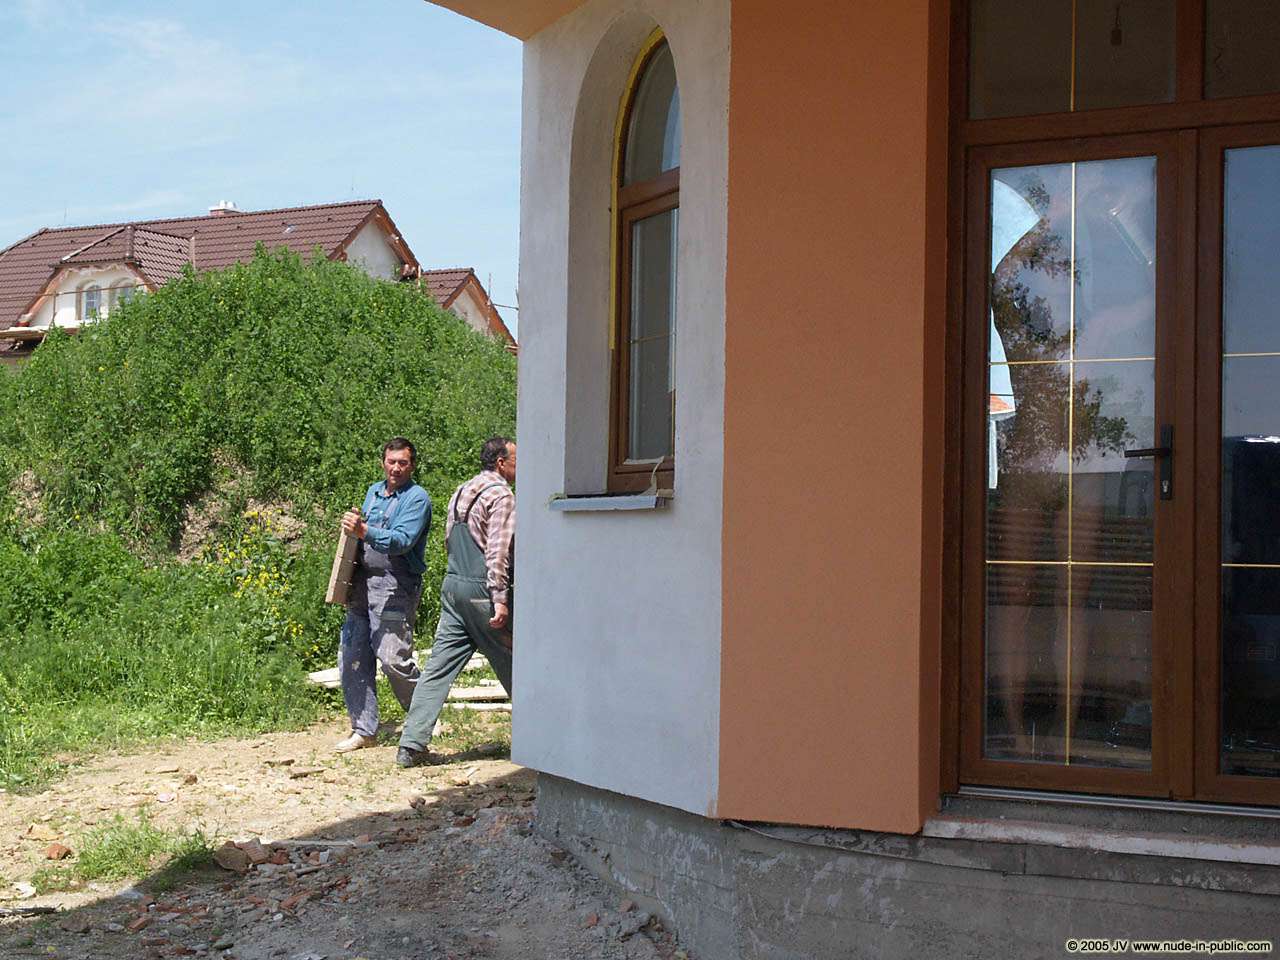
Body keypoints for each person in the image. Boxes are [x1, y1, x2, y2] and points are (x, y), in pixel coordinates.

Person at [396, 436, 515, 767]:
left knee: (437, 668)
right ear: (501, 463)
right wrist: (500, 598)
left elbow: (450, 539)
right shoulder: (502, 496)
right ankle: (542, 737)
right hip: (481, 590)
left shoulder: (462, 490)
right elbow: (498, 551)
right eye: (516, 460)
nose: (519, 466)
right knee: (513, 660)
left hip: (453, 586)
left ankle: (411, 745)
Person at [334, 437, 433, 753]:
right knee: (352, 656)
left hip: (394, 587)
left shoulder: (417, 499)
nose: (396, 468)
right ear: (383, 463)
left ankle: (424, 719)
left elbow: (402, 540)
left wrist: (363, 531)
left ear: (412, 465)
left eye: (403, 462)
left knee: (393, 658)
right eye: (392, 462)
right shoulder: (374, 492)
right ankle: (364, 730)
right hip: (362, 584)